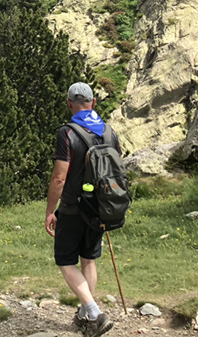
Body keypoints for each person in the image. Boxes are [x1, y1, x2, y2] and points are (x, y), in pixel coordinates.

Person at [44, 82, 120, 337]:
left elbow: (59, 178)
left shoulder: (67, 133)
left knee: (66, 261)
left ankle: (94, 312)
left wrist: (50, 210)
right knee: (88, 259)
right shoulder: (109, 132)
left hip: (73, 208)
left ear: (69, 103)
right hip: (101, 208)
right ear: (93, 102)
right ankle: (85, 313)